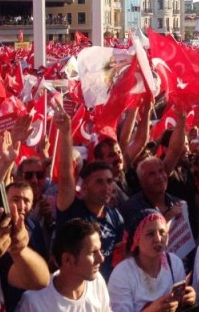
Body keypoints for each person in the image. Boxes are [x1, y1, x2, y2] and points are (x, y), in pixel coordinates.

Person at [54, 99, 124, 281]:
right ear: (84, 187)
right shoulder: (71, 209)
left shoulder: (115, 217)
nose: (106, 187)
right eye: (99, 182)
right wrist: (66, 132)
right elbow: (65, 177)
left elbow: (120, 257)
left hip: (105, 292)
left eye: (109, 181)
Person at [108, 209, 196, 312]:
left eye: (162, 232)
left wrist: (189, 298)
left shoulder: (174, 262)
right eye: (150, 234)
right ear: (136, 239)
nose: (158, 239)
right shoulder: (122, 274)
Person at [16, 219, 110, 311]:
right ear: (67, 259)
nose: (101, 258)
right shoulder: (34, 302)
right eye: (93, 252)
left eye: (100, 251)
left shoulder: (97, 281)